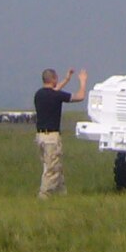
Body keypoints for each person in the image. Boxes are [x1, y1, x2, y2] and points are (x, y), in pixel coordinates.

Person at [33, 66, 87, 197]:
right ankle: (44, 196)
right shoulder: (56, 96)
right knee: (51, 170)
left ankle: (62, 195)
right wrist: (83, 81)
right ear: (54, 79)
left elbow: (55, 90)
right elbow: (80, 96)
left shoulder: (39, 94)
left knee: (54, 167)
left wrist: (67, 79)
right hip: (52, 138)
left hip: (40, 137)